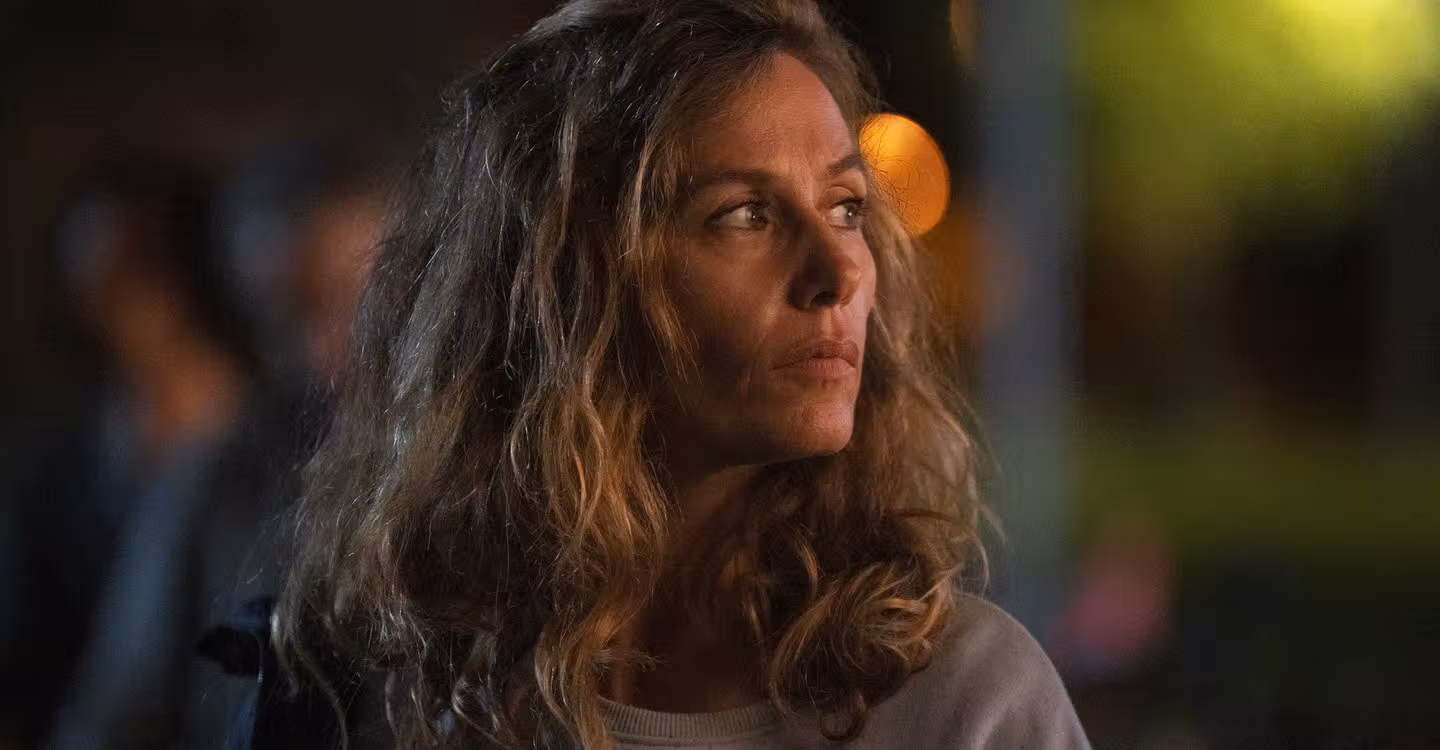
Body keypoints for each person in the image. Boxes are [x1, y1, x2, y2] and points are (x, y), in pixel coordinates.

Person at [246, 1, 1091, 747]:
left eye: (846, 208)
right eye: (746, 214)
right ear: (573, 281)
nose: (838, 270)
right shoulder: (390, 686)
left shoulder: (959, 699)